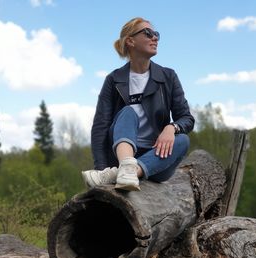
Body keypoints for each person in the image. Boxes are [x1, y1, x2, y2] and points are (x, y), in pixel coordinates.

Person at [82, 17, 195, 191]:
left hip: (156, 158)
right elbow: (100, 127)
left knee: (183, 140)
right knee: (127, 112)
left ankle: (125, 172)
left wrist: (171, 128)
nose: (155, 38)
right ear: (130, 41)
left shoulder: (168, 77)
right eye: (148, 33)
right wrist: (101, 168)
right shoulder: (114, 80)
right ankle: (125, 166)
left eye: (156, 34)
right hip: (119, 156)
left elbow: (186, 118)